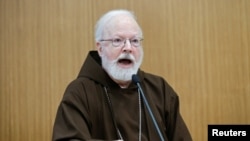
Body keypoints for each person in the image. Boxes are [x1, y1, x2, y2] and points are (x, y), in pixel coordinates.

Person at [52, 9, 192, 141]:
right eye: (117, 40)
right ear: (100, 48)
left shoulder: (159, 89)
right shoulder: (79, 92)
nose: (128, 48)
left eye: (135, 41)